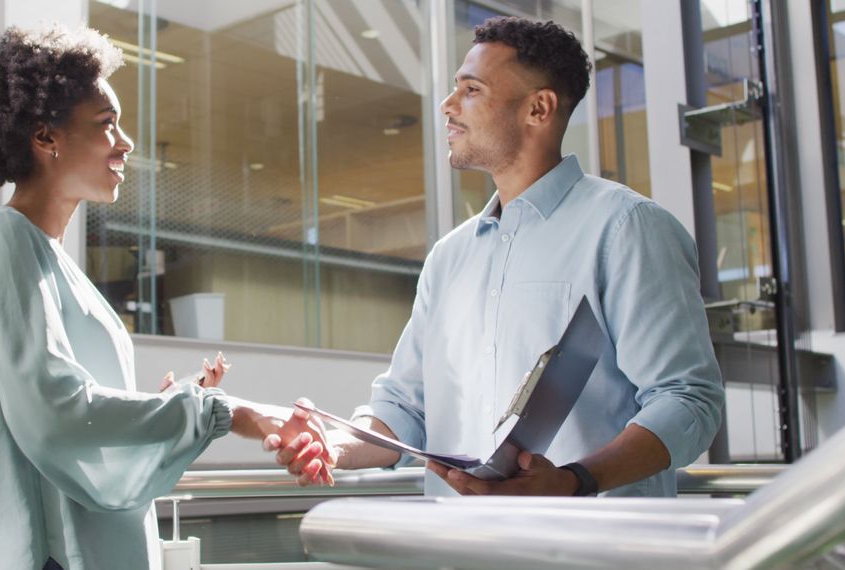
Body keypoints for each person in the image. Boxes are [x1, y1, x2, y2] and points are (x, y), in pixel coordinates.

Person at [267, 16, 725, 498]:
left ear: (538, 109)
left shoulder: (627, 228)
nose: (447, 105)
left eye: (471, 89)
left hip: (590, 550)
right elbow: (404, 408)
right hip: (462, 547)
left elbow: (687, 400)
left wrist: (574, 481)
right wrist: (333, 446)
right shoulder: (449, 257)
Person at [0, 26, 329, 570]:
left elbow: (79, 411)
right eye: (106, 126)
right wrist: (221, 411)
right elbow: (57, 414)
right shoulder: (2, 240)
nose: (125, 142)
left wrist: (172, 403)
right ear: (44, 136)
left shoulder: (51, 259)